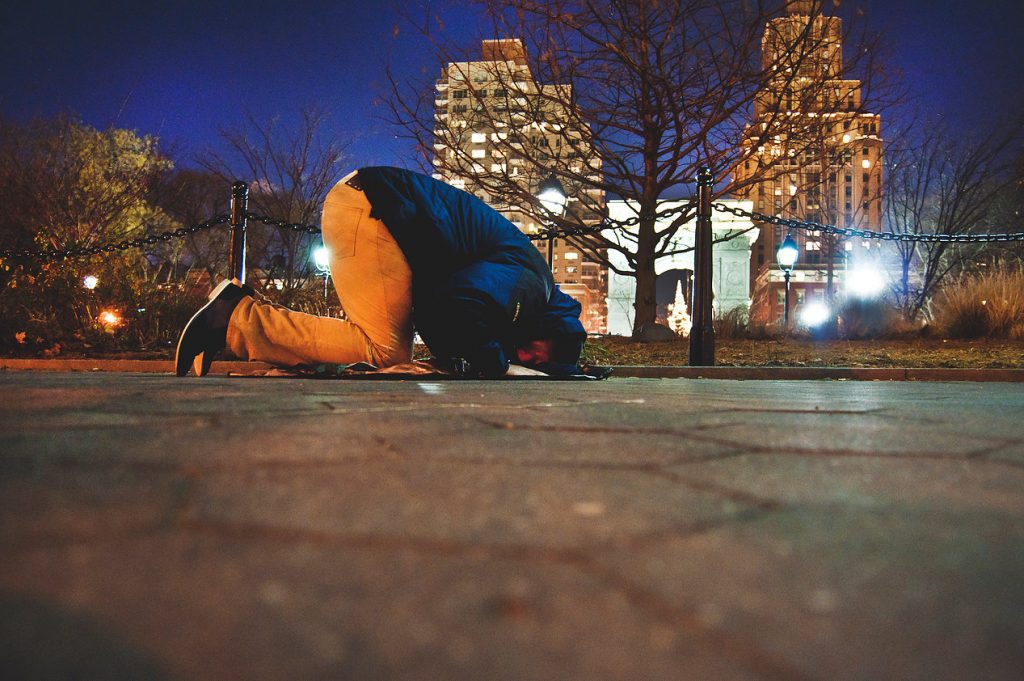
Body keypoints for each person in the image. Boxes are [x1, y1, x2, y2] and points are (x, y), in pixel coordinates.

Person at [175, 166, 588, 379]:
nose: (529, 360)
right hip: (375, 211)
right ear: (550, 332)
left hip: (372, 206)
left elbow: (447, 313)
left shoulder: (525, 285)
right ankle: (233, 320)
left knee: (387, 349)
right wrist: (493, 363)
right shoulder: (534, 283)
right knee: (384, 353)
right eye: (540, 357)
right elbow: (466, 301)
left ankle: (238, 321)